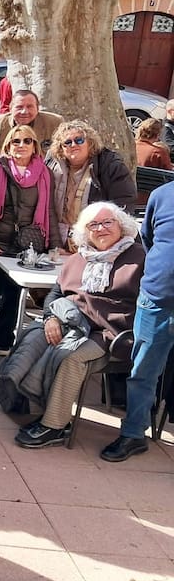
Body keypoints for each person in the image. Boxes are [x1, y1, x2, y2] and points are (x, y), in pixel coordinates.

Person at [6, 202, 144, 449]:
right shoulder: (78, 258)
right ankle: (19, 397)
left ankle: (54, 425)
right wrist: (50, 318)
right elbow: (55, 294)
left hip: (109, 333)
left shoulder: (138, 258)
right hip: (70, 321)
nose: (101, 229)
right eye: (93, 225)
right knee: (33, 338)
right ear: (85, 232)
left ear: (121, 225)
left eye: (107, 222)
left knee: (71, 357)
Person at [0, 124, 60, 354]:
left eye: (27, 141)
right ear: (8, 145)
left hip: (27, 245)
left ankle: (3, 339)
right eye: (16, 141)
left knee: (13, 294)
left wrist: (54, 245)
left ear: (34, 146)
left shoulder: (45, 174)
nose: (22, 145)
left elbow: (50, 211)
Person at [110, 183, 174, 462]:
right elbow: (147, 239)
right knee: (142, 372)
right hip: (156, 299)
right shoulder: (161, 195)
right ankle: (134, 434)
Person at [46, 119, 136, 250]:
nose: (73, 145)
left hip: (96, 242)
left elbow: (123, 206)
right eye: (67, 142)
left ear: (90, 143)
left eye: (79, 140)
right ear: (61, 148)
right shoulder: (51, 165)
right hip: (56, 241)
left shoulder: (110, 166)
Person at [0, 90, 64, 173]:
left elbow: (62, 156)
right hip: (4, 175)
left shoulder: (54, 122)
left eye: (30, 107)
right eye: (19, 107)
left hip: (42, 176)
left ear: (37, 108)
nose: (24, 112)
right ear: (10, 108)